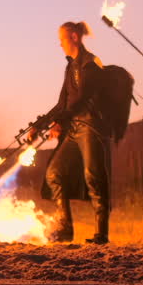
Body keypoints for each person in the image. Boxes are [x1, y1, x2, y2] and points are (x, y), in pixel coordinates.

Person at [30, 21, 114, 245]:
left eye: (62, 40)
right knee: (54, 173)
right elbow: (62, 103)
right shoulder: (71, 67)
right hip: (74, 127)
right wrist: (39, 125)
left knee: (93, 177)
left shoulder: (91, 64)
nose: (60, 45)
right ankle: (65, 227)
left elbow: (81, 100)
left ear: (74, 37)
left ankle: (101, 235)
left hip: (91, 126)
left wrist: (59, 122)